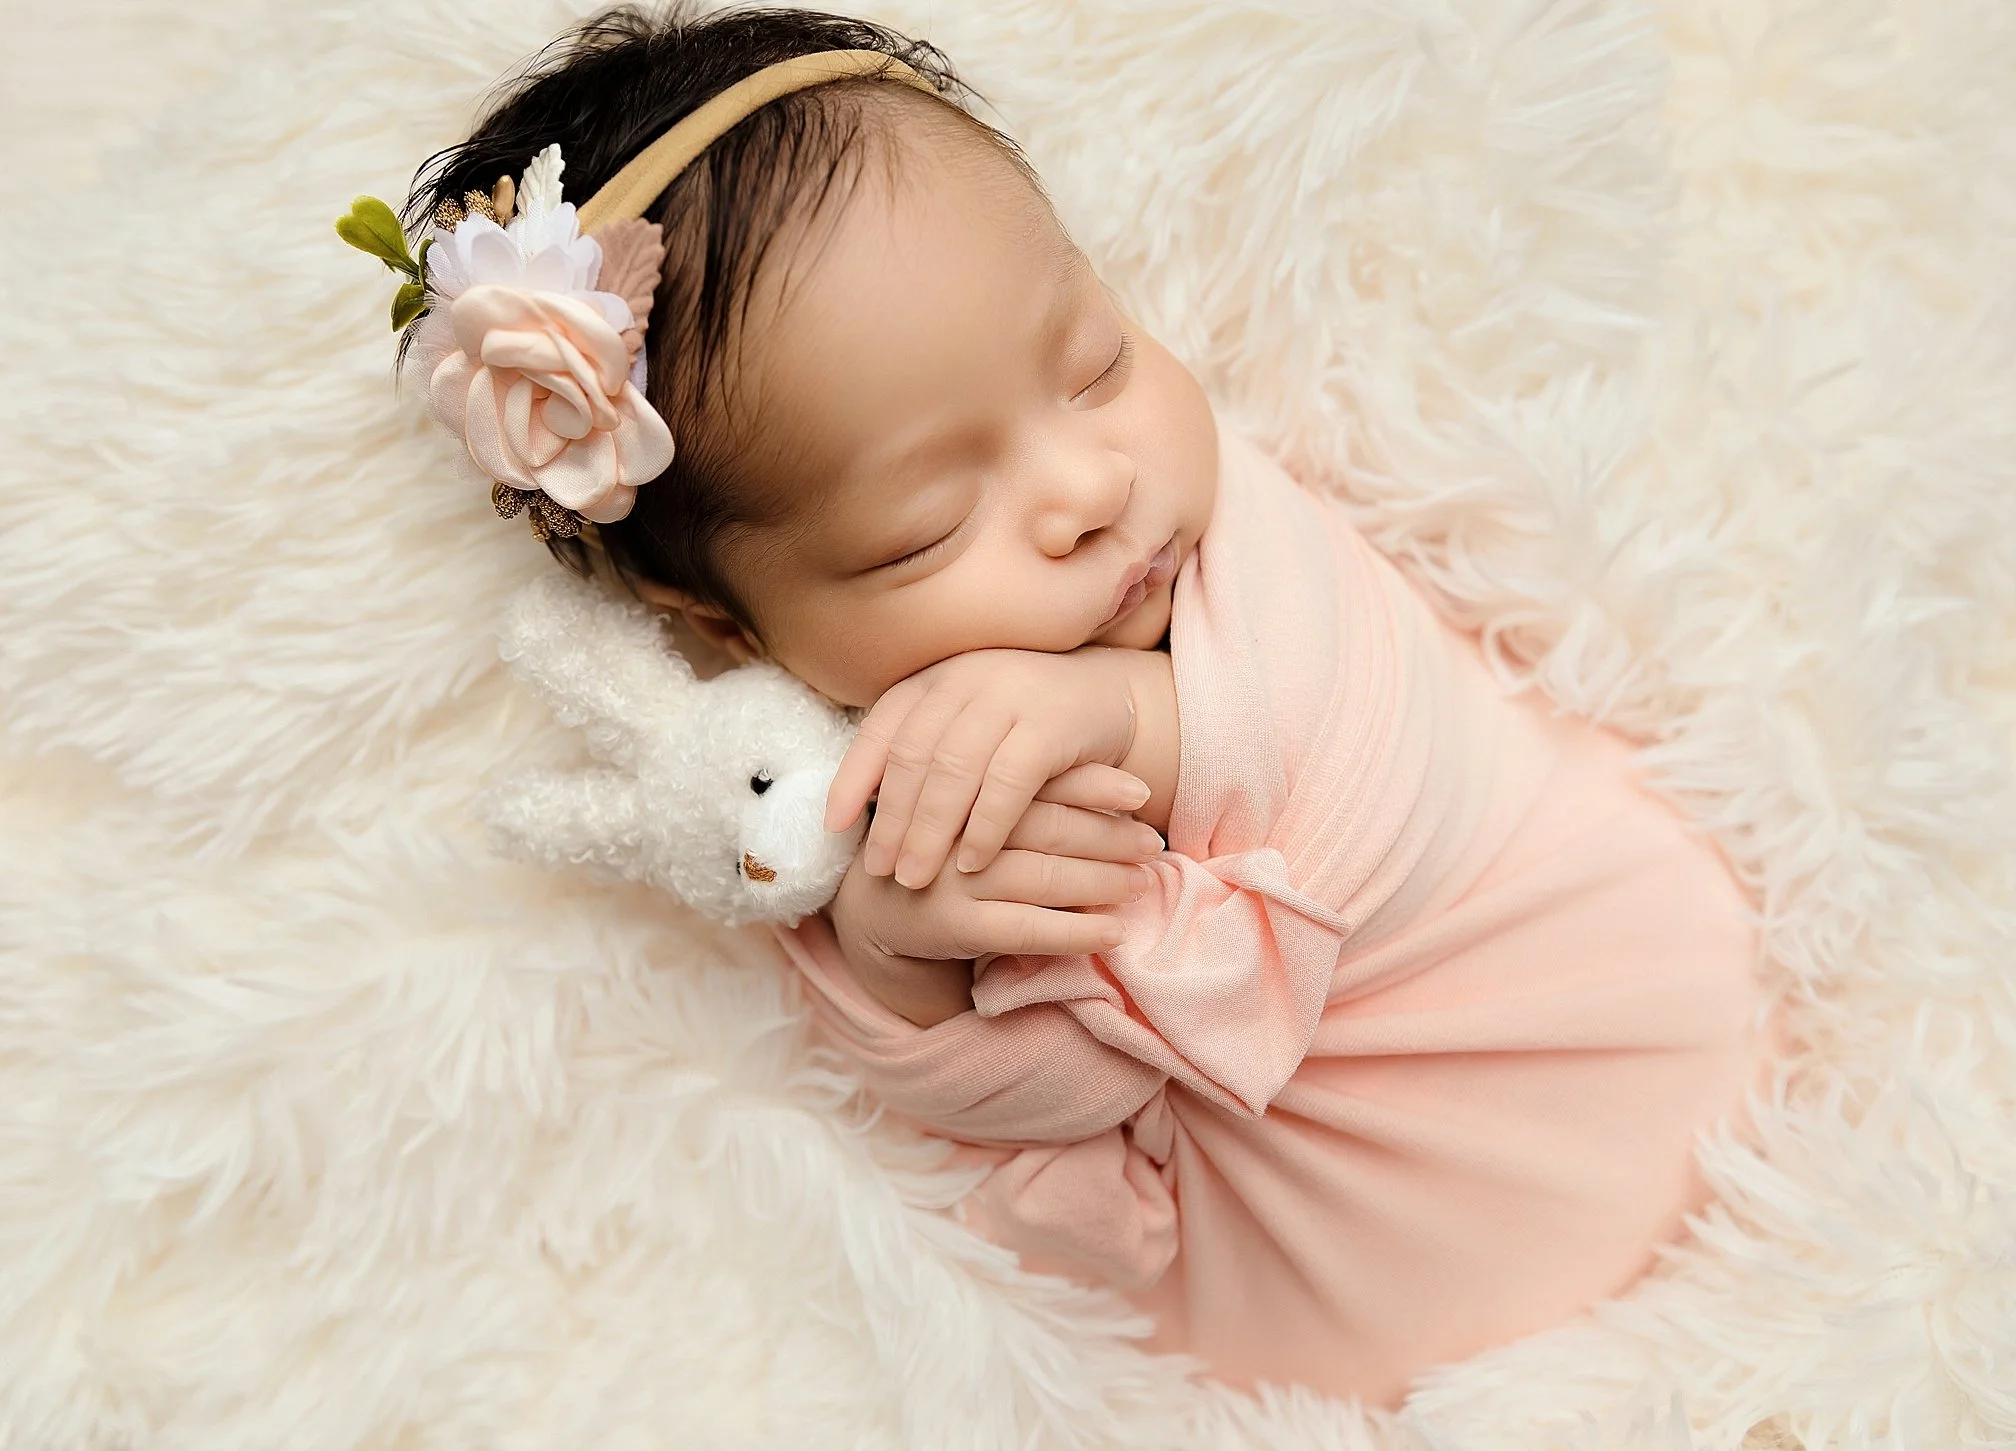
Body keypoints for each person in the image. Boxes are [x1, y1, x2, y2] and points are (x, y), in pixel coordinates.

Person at [382, 2, 1778, 1405]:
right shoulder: (843, 809)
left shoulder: (1248, 549)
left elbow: (1398, 756)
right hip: (1384, 1359)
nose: (1087, 489)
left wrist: (1127, 719)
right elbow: (1026, 1145)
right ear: (732, 627)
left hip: (1674, 1047)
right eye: (928, 524)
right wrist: (904, 965)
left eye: (1095, 361)